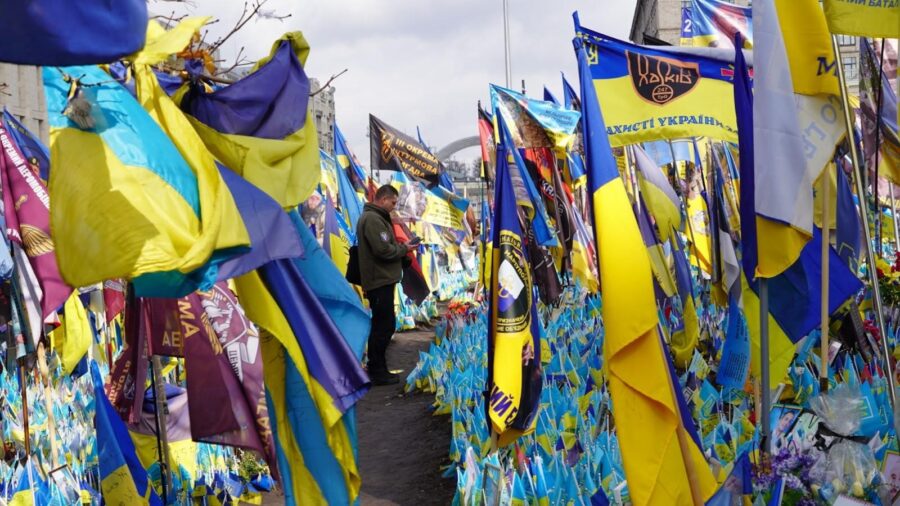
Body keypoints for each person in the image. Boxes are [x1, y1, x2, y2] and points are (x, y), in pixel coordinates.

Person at [357, 184, 416, 385]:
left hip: (381, 279)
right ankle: (377, 370)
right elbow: (383, 250)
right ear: (383, 199)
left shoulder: (376, 218)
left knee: (383, 325)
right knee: (383, 326)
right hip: (378, 280)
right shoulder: (373, 219)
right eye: (393, 202)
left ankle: (379, 368)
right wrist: (404, 249)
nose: (394, 206)